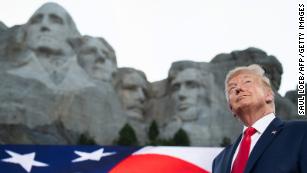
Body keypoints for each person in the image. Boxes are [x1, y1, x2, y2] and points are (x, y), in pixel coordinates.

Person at [212, 64, 307, 173]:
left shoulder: (301, 133)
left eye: (247, 82)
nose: (238, 88)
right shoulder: (219, 161)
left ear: (269, 95)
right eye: (232, 88)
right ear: (231, 108)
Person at [8, 2, 94, 91]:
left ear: (71, 32)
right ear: (25, 33)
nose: (44, 25)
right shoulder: (12, 75)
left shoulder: (88, 80)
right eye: (36, 21)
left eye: (56, 21)